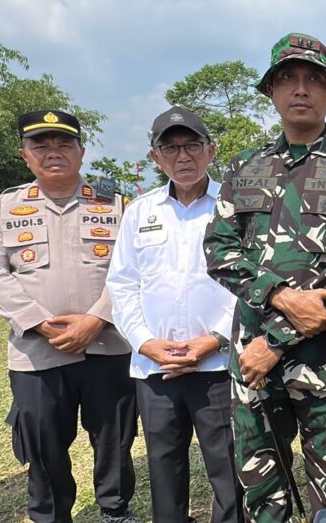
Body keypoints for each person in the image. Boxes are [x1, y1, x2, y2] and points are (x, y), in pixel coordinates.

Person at [204, 33, 326, 523]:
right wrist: (278, 296)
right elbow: (219, 250)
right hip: (251, 360)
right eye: (289, 78)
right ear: (272, 91)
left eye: (314, 79)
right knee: (261, 493)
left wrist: (276, 340)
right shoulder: (244, 166)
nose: (301, 88)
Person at [0, 110, 138, 523]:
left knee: (115, 438)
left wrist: (98, 318)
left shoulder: (116, 205)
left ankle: (115, 510)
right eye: (40, 145)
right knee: (43, 443)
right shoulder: (1, 209)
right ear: (23, 154)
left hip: (108, 344)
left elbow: (136, 268)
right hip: (36, 352)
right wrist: (39, 322)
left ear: (81, 151)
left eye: (64, 143)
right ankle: (50, 515)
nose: (53, 152)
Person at [107, 106, 245, 523]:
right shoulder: (140, 211)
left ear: (211, 150)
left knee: (229, 470)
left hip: (218, 365)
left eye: (192, 146)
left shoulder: (235, 206)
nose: (182, 157)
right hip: (156, 368)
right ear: (156, 157)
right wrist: (145, 342)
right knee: (164, 470)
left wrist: (215, 339)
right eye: (170, 148)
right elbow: (122, 284)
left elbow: (249, 280)